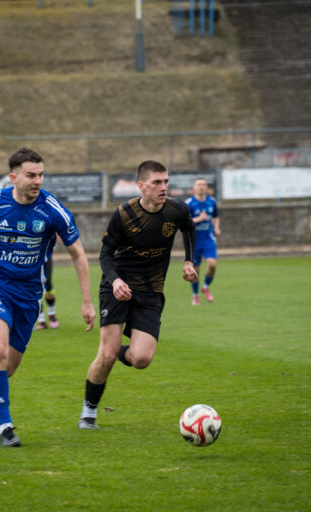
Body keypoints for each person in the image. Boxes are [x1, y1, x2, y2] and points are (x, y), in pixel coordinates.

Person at [0, 147, 96, 447]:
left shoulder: (53, 210)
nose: (38, 181)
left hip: (29, 296)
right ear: (13, 178)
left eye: (41, 175)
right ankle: (5, 427)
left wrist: (87, 301)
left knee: (7, 367)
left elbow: (78, 254)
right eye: (31, 175)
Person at [77, 160, 198, 430]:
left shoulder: (177, 209)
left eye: (166, 181)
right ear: (141, 185)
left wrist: (189, 261)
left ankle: (112, 352)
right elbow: (105, 254)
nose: (163, 187)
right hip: (117, 288)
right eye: (157, 182)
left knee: (141, 359)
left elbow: (189, 227)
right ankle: (89, 411)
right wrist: (116, 281)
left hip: (151, 290)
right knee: (106, 356)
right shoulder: (124, 214)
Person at [185, 178, 220, 305]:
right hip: (194, 241)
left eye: (203, 184)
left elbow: (215, 216)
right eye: (198, 184)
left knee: (212, 264)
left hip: (208, 238)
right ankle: (195, 295)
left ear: (206, 188)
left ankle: (205, 287)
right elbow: (185, 222)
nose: (201, 187)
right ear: (194, 188)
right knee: (195, 271)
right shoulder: (188, 203)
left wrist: (216, 228)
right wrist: (199, 219)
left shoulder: (212, 201)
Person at [34, 255, 59, 330]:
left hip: (45, 256)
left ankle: (51, 314)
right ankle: (41, 320)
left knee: (48, 283)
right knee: (35, 286)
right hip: (30, 258)